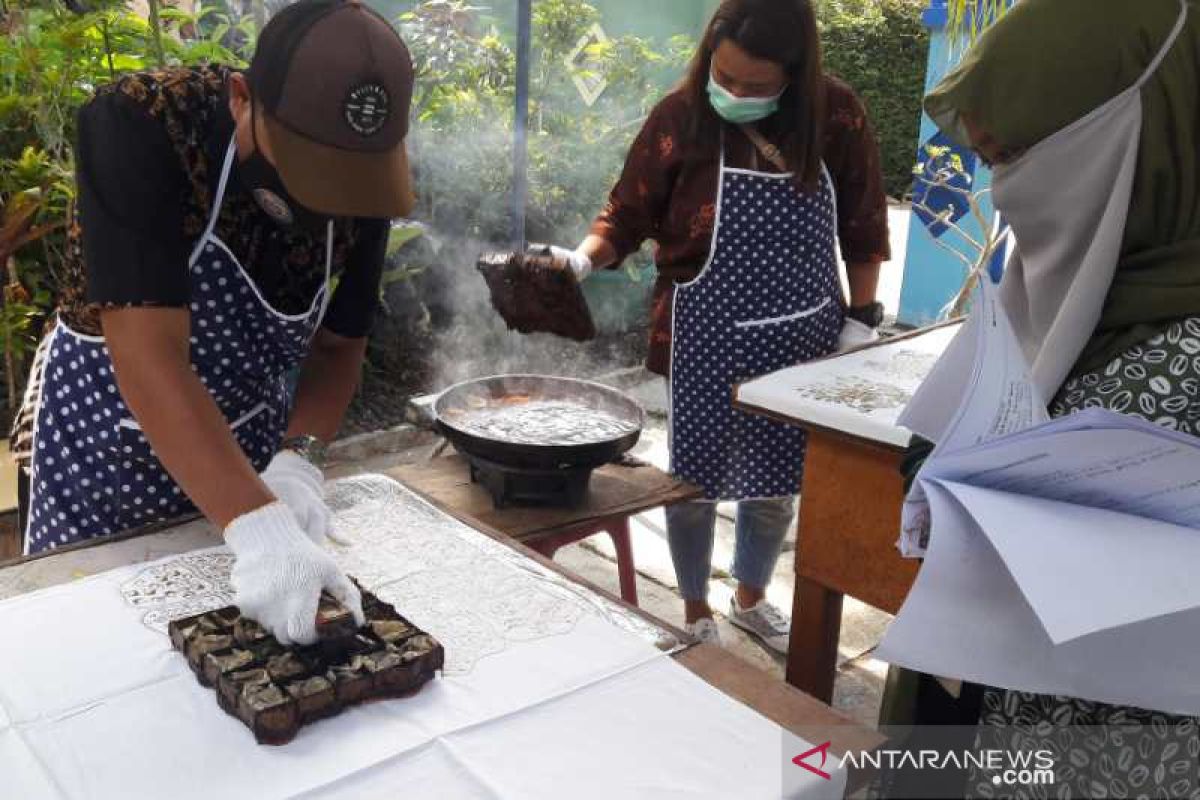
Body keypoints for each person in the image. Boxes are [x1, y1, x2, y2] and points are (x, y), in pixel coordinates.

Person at [9, 0, 416, 645]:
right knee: (96, 655)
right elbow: (150, 356)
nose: (326, 204)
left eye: (348, 184)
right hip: (109, 458)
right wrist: (258, 528)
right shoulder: (143, 124)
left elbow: (339, 347)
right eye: (311, 173)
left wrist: (297, 462)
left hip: (248, 468)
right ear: (241, 99)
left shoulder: (365, 182)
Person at [899, 0, 1200, 795]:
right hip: (1019, 731)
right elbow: (958, 420)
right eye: (992, 161)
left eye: (1019, 156)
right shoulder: (1065, 277)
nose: (1006, 192)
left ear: (1129, 127)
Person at [551, 0, 890, 651]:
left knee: (776, 479)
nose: (732, 93)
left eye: (755, 85)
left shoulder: (835, 114)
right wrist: (579, 260)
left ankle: (751, 596)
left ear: (796, 71)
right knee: (693, 479)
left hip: (804, 337)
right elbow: (625, 216)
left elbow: (865, 222)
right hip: (705, 333)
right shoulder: (680, 118)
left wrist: (861, 321)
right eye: (723, 75)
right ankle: (694, 606)